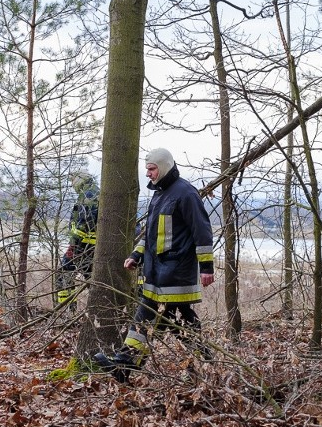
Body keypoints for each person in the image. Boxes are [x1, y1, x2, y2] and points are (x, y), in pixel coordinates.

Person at [94, 148, 214, 382]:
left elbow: (203, 232)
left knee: (152, 316)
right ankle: (207, 366)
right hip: (156, 273)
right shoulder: (160, 194)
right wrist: (136, 255)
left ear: (165, 166)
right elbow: (151, 235)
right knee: (183, 324)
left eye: (152, 169)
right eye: (147, 169)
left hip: (175, 274)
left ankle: (126, 364)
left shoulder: (186, 194)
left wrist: (207, 268)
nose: (148, 174)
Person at [54, 171, 100, 311]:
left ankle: (67, 312)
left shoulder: (89, 196)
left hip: (84, 247)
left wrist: (72, 247)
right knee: (92, 281)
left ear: (80, 181)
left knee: (62, 275)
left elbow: (83, 226)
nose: (72, 184)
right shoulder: (90, 193)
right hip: (87, 247)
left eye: (73, 181)